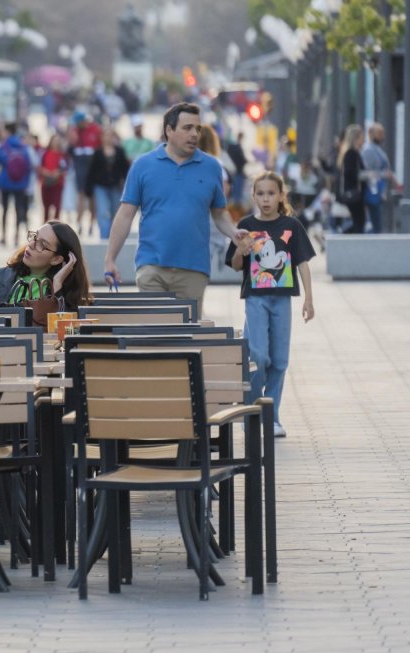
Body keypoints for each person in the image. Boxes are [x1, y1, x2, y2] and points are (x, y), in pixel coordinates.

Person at [103, 103, 248, 316]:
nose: (194, 134)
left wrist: (233, 232)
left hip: (194, 269)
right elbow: (125, 215)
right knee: (157, 330)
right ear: (169, 131)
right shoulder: (143, 165)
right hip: (151, 266)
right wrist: (110, 259)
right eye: (187, 128)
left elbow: (219, 214)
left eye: (197, 129)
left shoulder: (211, 167)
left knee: (187, 334)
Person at [225, 172, 316, 438]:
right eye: (261, 194)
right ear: (253, 196)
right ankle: (252, 410)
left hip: (282, 300)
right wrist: (241, 249)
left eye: (271, 193)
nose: (266, 199)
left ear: (281, 196)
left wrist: (309, 298)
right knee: (259, 356)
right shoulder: (246, 224)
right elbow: (235, 265)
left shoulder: (292, 225)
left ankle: (271, 417)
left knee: (279, 361)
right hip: (255, 299)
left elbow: (303, 263)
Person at [0, 220, 91, 310]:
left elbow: (65, 330)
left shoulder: (67, 294)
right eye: (35, 236)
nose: (32, 244)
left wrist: (57, 286)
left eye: (42, 244)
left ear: (56, 259)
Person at [198, 125, 232, 277]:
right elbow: (224, 188)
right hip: (212, 213)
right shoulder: (216, 162)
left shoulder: (195, 162)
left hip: (203, 215)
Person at [85, 128, 130, 239]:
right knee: (102, 211)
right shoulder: (97, 152)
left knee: (116, 212)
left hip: (115, 186)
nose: (108, 138)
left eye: (110, 135)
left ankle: (114, 237)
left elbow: (125, 170)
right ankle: (104, 237)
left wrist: (127, 185)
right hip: (100, 186)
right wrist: (88, 189)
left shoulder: (119, 151)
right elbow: (91, 171)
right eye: (106, 135)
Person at [0, 122, 34, 248]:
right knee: (18, 209)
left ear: (7, 131)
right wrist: (26, 183)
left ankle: (4, 236)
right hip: (20, 184)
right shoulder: (23, 146)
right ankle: (16, 236)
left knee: (5, 210)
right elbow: (28, 166)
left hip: (5, 182)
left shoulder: (3, 145)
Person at [68, 111, 102, 235]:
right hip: (79, 164)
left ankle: (92, 223)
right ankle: (79, 223)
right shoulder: (75, 131)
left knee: (92, 195)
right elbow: (69, 148)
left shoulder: (95, 129)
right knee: (80, 194)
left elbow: (100, 146)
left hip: (92, 165)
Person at [361, 122, 396, 233]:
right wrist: (383, 174)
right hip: (373, 193)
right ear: (371, 134)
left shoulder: (377, 149)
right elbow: (367, 172)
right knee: (375, 224)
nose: (383, 136)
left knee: (378, 224)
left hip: (380, 193)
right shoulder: (368, 150)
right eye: (380, 133)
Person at [336, 123, 366, 235]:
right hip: (353, 193)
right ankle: (342, 239)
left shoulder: (349, 152)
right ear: (356, 138)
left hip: (352, 193)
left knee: (357, 222)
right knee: (359, 222)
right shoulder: (351, 153)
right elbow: (350, 172)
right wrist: (364, 175)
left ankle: (342, 237)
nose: (363, 140)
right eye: (362, 137)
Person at [37, 134, 68, 223]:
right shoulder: (45, 154)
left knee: (57, 206)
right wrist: (46, 172)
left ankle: (56, 225)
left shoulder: (62, 155)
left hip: (57, 183)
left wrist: (57, 173)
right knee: (46, 206)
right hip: (46, 183)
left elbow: (64, 168)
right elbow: (40, 167)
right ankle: (45, 224)